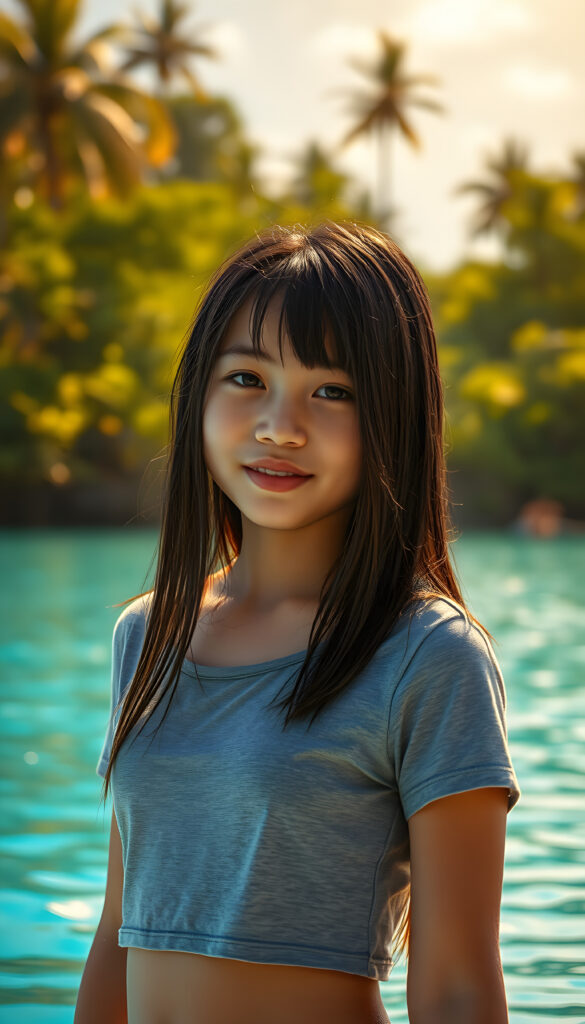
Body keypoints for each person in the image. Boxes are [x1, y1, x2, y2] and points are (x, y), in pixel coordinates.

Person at [74, 221, 520, 1024]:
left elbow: (457, 989)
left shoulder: (427, 656)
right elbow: (118, 934)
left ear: (393, 414)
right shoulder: (148, 635)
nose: (279, 425)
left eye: (332, 391)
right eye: (246, 378)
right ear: (198, 393)